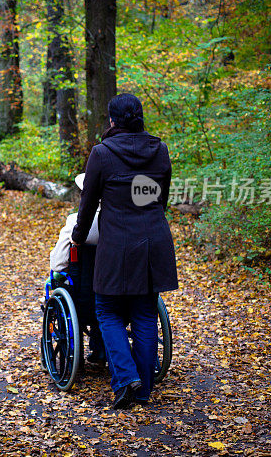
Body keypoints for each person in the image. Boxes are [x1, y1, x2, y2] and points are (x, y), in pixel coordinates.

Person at [70, 93, 178, 409]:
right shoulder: (159, 150)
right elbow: (161, 197)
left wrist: (78, 237)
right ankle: (143, 390)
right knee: (145, 312)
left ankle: (125, 378)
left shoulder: (102, 153)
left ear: (113, 120)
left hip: (117, 244)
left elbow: (87, 204)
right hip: (154, 240)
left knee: (107, 311)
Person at [49, 174, 104, 364]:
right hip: (118, 293)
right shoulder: (119, 222)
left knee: (56, 280)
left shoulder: (75, 221)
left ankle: (75, 355)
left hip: (83, 296)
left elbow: (58, 263)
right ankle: (101, 349)